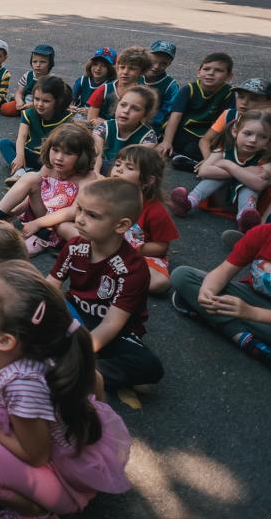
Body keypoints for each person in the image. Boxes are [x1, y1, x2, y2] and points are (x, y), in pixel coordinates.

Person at [0, 261, 133, 518]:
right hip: (19, 422)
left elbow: (36, 456)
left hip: (59, 471)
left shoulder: (24, 385)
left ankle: (36, 512)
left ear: (5, 340)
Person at [48, 178, 164, 391]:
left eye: (92, 215)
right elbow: (50, 286)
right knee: (34, 308)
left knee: (150, 368)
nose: (80, 220)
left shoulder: (133, 268)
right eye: (79, 209)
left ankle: (73, 370)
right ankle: (76, 370)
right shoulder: (74, 246)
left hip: (113, 330)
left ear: (121, 225)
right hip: (73, 314)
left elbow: (112, 324)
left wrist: (79, 353)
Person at [170, 190, 271, 380]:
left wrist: (250, 313)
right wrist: (207, 291)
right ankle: (253, 344)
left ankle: (219, 322)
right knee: (181, 275)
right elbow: (224, 271)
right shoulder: (262, 233)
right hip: (249, 297)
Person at [169, 110, 271, 234]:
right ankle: (189, 202)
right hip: (220, 198)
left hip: (246, 206)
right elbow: (203, 171)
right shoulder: (224, 149)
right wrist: (243, 171)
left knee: (248, 185)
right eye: (248, 133)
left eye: (263, 137)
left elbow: (259, 184)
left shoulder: (266, 160)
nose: (253, 140)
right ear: (235, 131)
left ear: (269, 141)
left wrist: (227, 165)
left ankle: (245, 220)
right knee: (217, 176)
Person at [0, 123, 99, 255]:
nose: (59, 158)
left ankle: (43, 238)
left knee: (61, 206)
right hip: (42, 212)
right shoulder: (50, 167)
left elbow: (73, 211)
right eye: (55, 150)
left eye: (68, 153)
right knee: (31, 177)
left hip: (60, 223)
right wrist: (15, 212)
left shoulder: (87, 178)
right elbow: (33, 193)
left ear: (81, 157)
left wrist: (38, 223)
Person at [111, 145, 179, 295]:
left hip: (141, 255)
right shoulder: (107, 196)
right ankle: (119, 278)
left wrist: (135, 250)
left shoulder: (156, 210)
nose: (119, 169)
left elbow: (162, 247)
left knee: (159, 283)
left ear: (148, 180)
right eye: (117, 164)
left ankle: (116, 278)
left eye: (129, 167)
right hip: (108, 248)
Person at [157, 52, 234, 170]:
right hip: (184, 129)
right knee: (167, 141)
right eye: (206, 69)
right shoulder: (189, 89)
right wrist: (167, 141)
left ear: (229, 76)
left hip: (208, 134)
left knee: (196, 148)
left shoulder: (229, 93)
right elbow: (175, 116)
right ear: (199, 72)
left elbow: (227, 122)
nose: (211, 73)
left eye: (218, 70)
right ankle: (181, 156)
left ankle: (188, 160)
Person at [0, 74, 74, 184]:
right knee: (4, 143)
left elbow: (65, 148)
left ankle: (43, 178)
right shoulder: (29, 113)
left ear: (57, 101)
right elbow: (22, 136)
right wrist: (20, 156)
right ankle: (20, 173)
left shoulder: (66, 119)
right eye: (37, 99)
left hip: (52, 158)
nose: (40, 104)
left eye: (46, 101)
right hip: (32, 153)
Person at [199, 77, 271, 161]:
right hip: (223, 159)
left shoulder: (270, 123)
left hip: (252, 164)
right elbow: (205, 140)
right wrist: (208, 160)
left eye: (253, 99)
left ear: (268, 104)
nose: (244, 102)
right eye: (241, 97)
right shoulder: (229, 114)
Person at [93, 84, 159, 175]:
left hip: (125, 176)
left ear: (145, 114)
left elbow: (132, 169)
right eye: (123, 105)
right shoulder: (104, 127)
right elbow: (96, 155)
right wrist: (96, 174)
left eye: (135, 108)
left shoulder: (148, 138)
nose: (126, 111)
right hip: (100, 171)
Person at [85, 46, 153, 125]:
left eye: (132, 68)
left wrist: (106, 123)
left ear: (142, 71)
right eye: (122, 67)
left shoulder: (144, 95)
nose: (125, 72)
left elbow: (139, 124)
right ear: (117, 68)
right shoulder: (104, 89)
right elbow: (91, 120)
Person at [0, 43, 55, 117]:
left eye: (42, 62)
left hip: (41, 105)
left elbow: (51, 100)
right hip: (25, 102)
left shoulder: (51, 79)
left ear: (50, 63)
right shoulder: (27, 75)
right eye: (35, 61)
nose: (38, 65)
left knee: (46, 113)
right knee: (5, 108)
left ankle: (29, 115)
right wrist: (19, 101)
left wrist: (33, 105)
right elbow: (19, 92)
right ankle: (25, 113)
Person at [144, 39, 179, 137]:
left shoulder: (170, 85)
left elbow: (167, 112)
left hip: (151, 128)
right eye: (153, 61)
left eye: (163, 63)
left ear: (169, 63)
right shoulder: (137, 74)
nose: (156, 66)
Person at [71, 47, 116, 118]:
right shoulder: (83, 80)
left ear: (110, 69)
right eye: (95, 64)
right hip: (80, 114)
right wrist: (71, 107)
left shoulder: (111, 86)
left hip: (98, 118)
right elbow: (72, 99)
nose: (98, 69)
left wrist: (92, 112)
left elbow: (111, 111)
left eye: (103, 66)